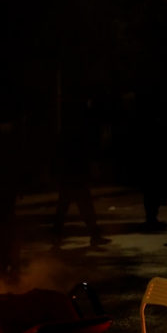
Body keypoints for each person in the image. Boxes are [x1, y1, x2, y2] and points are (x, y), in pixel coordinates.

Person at [51, 98, 110, 247]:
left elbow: (59, 153)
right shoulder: (78, 132)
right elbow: (83, 152)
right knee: (84, 206)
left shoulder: (67, 132)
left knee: (64, 206)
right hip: (75, 173)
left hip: (68, 174)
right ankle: (94, 236)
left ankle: (57, 237)